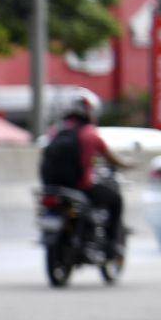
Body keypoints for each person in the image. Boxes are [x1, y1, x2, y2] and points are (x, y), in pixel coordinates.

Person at [41, 89, 129, 256]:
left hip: (51, 186)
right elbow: (110, 158)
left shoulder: (55, 131)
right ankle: (111, 245)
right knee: (116, 200)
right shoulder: (89, 133)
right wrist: (127, 164)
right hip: (81, 187)